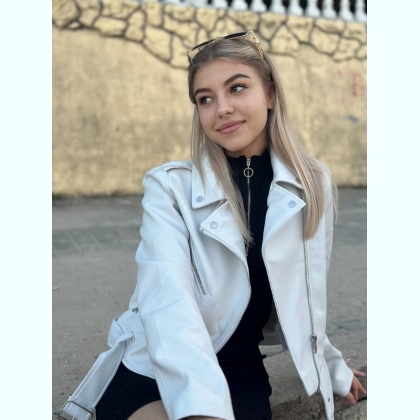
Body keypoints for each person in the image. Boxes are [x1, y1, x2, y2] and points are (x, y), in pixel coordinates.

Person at [92, 31, 366, 420]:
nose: (221, 108)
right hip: (155, 361)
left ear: (270, 94)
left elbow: (306, 294)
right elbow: (166, 299)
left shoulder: (312, 182)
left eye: (237, 88)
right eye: (205, 98)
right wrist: (202, 406)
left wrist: (334, 368)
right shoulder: (170, 187)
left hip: (237, 367)